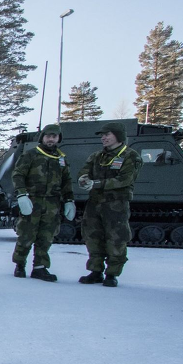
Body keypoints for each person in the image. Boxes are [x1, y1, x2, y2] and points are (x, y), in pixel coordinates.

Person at [76, 122, 143, 287]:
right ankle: (95, 271)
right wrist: (83, 179)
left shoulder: (130, 156)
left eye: (107, 134)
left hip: (116, 204)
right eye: (102, 135)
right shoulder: (96, 156)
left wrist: (96, 183)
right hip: (95, 203)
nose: (103, 138)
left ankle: (112, 273)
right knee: (92, 236)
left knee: (116, 238)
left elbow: (124, 179)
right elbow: (85, 170)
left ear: (118, 136)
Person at [10, 124, 75, 281]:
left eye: (54, 136)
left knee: (46, 236)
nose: (51, 139)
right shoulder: (31, 155)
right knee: (26, 235)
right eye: (48, 136)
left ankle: (40, 267)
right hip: (32, 201)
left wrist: (69, 200)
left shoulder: (61, 159)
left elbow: (66, 181)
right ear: (42, 138)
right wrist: (22, 195)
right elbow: (18, 175)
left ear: (58, 138)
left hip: (52, 203)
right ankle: (20, 264)